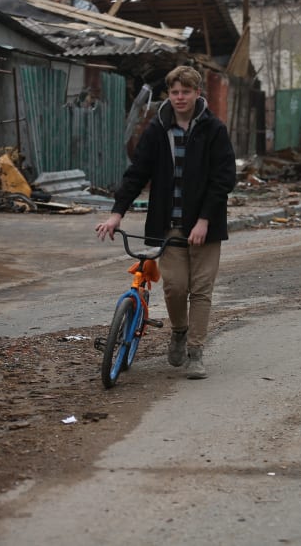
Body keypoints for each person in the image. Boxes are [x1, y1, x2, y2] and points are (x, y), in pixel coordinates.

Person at [95, 65, 236, 379]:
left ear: (197, 93)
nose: (180, 97)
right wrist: (117, 212)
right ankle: (180, 332)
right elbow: (137, 174)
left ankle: (196, 352)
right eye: (175, 92)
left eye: (186, 92)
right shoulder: (158, 129)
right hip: (167, 224)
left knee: (200, 290)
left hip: (205, 226)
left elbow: (223, 179)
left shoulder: (213, 129)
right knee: (174, 287)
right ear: (168, 95)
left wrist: (204, 220)